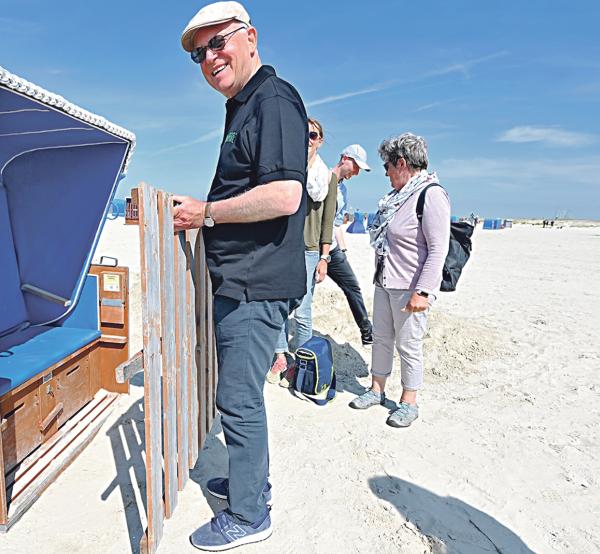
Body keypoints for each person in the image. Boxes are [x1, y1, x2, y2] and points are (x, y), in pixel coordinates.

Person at [172, 1, 308, 549]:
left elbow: (285, 195)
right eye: (199, 54)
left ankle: (250, 516)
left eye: (218, 42)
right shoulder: (244, 105)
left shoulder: (272, 100)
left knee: (238, 399)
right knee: (243, 395)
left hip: (256, 284)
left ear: (250, 37)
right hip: (243, 281)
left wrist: (206, 212)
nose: (210, 57)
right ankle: (252, 485)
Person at [350, 132, 450, 428]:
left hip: (410, 287)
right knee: (382, 338)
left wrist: (423, 292)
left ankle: (409, 402)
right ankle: (376, 389)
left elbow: (438, 249)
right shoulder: (396, 197)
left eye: (387, 166)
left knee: (408, 344)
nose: (386, 173)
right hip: (385, 281)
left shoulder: (431, 194)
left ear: (402, 163)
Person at [266, 117, 337, 384]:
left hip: (309, 250)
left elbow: (328, 221)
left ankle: (303, 362)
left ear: (320, 141)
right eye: (304, 133)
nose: (308, 139)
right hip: (283, 246)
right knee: (279, 304)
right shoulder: (287, 170)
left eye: (313, 135)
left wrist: (324, 257)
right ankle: (281, 356)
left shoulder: (327, 177)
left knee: (303, 310)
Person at [326, 144, 375, 345]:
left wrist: (343, 250)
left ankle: (367, 332)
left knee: (352, 286)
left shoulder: (343, 191)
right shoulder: (321, 177)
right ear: (345, 158)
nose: (356, 173)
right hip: (311, 248)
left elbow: (336, 225)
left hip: (331, 249)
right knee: (300, 295)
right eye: (356, 167)